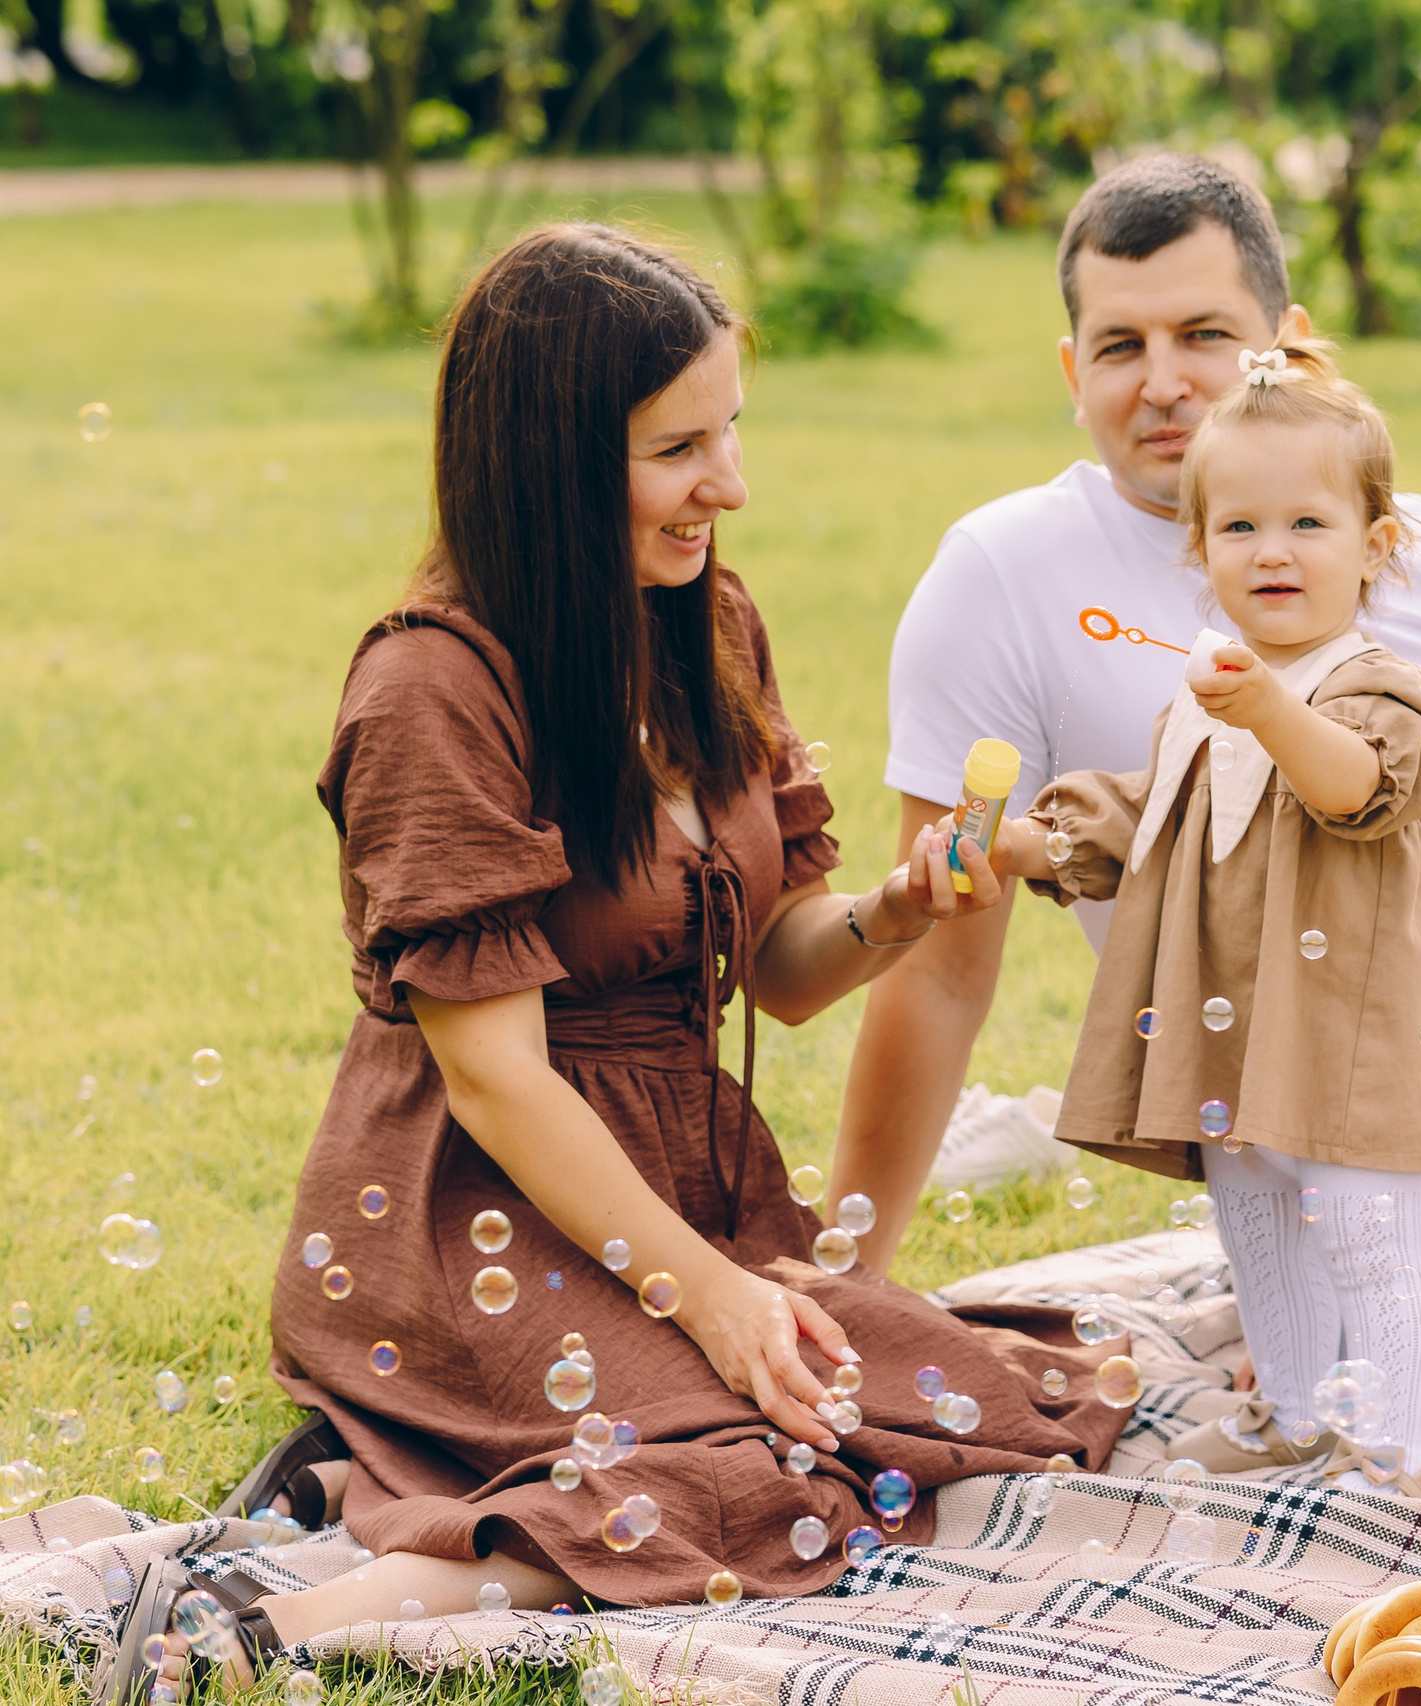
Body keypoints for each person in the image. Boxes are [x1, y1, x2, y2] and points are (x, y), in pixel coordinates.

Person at [101, 225, 1127, 1703]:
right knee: (758, 1470)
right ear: (554, 463)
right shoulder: (432, 688)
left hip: (680, 1190)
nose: (730, 484)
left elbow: (779, 969)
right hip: (472, 1220)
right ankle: (273, 1621)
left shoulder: (709, 625)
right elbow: (497, 1081)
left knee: (976, 1399)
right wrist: (713, 1298)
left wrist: (902, 909)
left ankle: (380, 1486)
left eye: (731, 432)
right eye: (678, 449)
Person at [838, 154, 1421, 1266]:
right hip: (1285, 1118)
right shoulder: (1005, 574)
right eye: (1120, 346)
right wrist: (853, 1271)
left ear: (1291, 344)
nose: (1163, 383)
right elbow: (939, 964)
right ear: (1072, 372)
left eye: (1204, 335)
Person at [987, 338, 1421, 1499]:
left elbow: (1356, 785)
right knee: (1258, 1224)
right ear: (1199, 551)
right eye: (1237, 526)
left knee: (1367, 1240)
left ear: (1375, 545)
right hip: (1237, 1031)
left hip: (1349, 1034)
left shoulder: (1381, 687)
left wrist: (1267, 708)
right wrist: (1029, 842)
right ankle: (1291, 1412)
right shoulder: (1204, 701)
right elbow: (1149, 813)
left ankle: (1392, 1454)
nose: (1271, 550)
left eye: (1306, 524)